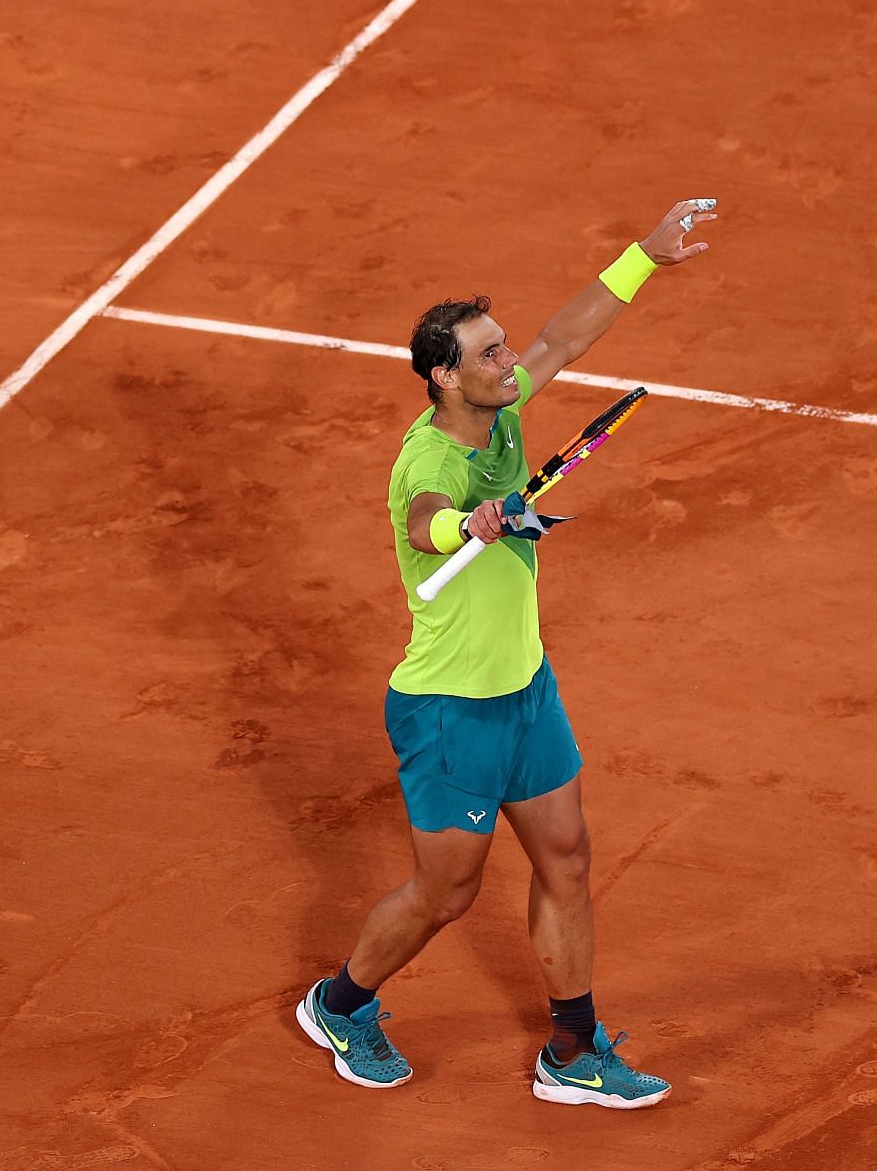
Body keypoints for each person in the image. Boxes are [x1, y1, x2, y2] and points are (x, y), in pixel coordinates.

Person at [295, 199, 719, 1109]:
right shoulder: (430, 461)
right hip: (449, 711)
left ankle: (572, 1050)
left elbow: (564, 338)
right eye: (489, 354)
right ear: (446, 379)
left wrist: (644, 254)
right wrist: (469, 524)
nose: (509, 361)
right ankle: (340, 1003)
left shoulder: (503, 407)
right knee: (446, 894)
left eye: (501, 346)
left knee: (565, 858)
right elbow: (424, 521)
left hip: (524, 689)